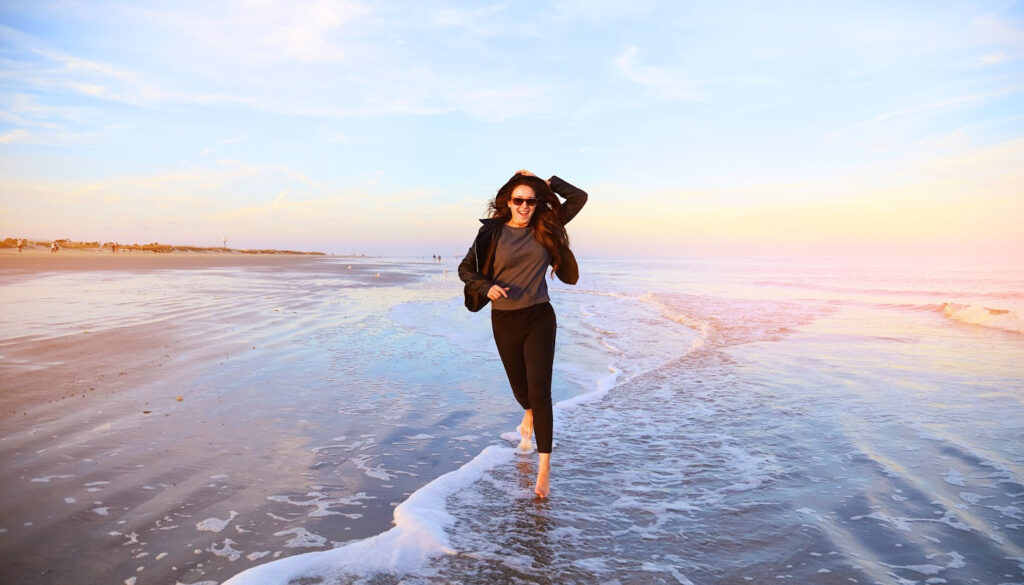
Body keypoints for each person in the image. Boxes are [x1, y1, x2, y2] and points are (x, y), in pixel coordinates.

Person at [458, 169, 587, 498]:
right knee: (523, 394)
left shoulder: (548, 224)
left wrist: (548, 183)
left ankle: (544, 470)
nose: (525, 206)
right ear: (509, 202)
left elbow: (578, 197)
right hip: (505, 319)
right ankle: (527, 413)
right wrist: (486, 287)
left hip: (540, 316)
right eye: (519, 200)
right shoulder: (491, 234)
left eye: (531, 201)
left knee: (541, 394)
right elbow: (465, 269)